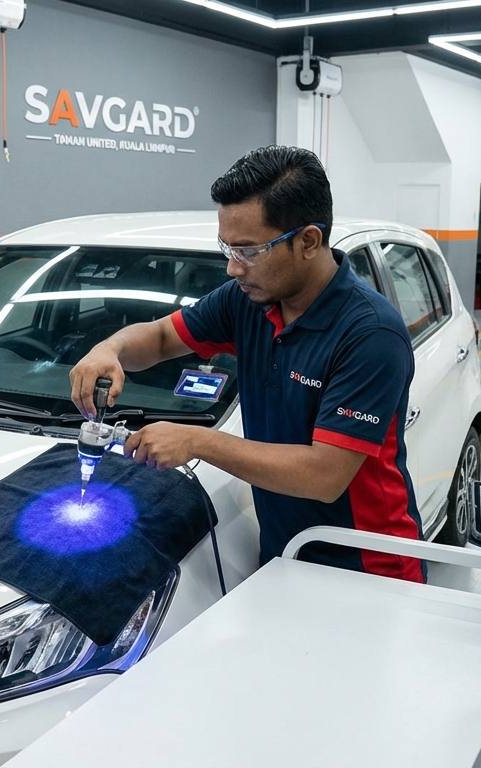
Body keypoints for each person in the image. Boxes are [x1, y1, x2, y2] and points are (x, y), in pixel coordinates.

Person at [69, 145, 424, 581]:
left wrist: (198, 442)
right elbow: (162, 338)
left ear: (308, 241)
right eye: (227, 248)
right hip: (286, 555)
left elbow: (324, 475)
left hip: (369, 565)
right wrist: (110, 348)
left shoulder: (370, 334)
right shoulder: (247, 302)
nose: (232, 269)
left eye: (248, 251)